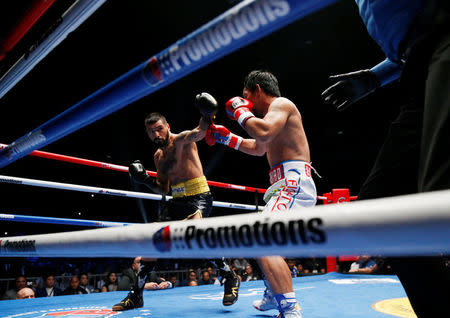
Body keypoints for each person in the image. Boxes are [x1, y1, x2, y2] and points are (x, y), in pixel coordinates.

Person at [321, 1, 449, 317]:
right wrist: (376, 77)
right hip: (417, 61)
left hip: (444, 39)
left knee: (441, 200)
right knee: (382, 211)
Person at [112, 93, 240, 311]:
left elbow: (199, 132)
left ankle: (229, 277)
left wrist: (206, 113)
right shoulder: (158, 157)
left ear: (167, 126)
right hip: (176, 201)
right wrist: (144, 180)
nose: (156, 133)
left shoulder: (182, 140)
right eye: (151, 131)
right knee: (151, 244)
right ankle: (136, 295)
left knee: (196, 236)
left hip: (199, 197)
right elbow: (163, 188)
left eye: (159, 128)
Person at [206, 70, 317, 318]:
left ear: (257, 90)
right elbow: (258, 147)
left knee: (262, 237)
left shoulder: (282, 104)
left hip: (293, 184)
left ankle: (290, 309)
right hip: (282, 185)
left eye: (246, 97)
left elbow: (263, 132)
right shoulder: (271, 117)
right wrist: (228, 139)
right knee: (261, 240)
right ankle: (272, 291)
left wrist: (239, 111)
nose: (246, 103)